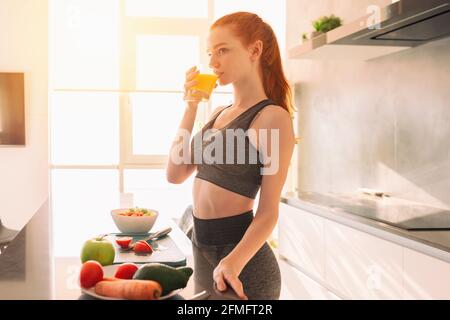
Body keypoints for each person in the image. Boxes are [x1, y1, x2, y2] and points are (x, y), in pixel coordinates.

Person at [166, 11, 295, 300]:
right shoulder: (217, 114)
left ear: (255, 50)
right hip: (203, 252)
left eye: (223, 51)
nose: (213, 62)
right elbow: (175, 174)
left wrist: (233, 262)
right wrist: (190, 106)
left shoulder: (271, 118)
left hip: (242, 265)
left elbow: (268, 212)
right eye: (210, 53)